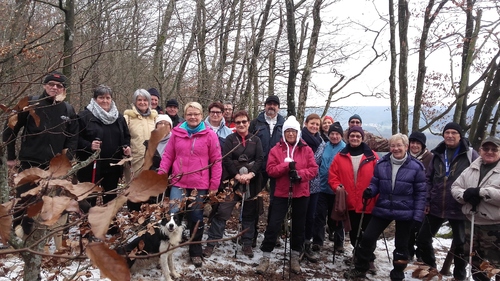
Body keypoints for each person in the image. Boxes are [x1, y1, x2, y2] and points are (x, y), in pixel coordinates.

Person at [344, 133, 426, 280]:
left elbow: (421, 193)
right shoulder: (382, 163)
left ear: (406, 147)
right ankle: (361, 267)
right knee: (367, 238)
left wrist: (418, 216)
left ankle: (398, 273)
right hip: (384, 206)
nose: (395, 148)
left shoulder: (416, 167)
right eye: (392, 145)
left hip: (406, 209)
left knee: (402, 245)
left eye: (399, 145)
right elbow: (375, 183)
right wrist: (370, 190)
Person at [158, 101, 222, 268]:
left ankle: (195, 251)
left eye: (196, 114)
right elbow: (168, 156)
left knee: (195, 217)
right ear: (185, 115)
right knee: (173, 215)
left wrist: (214, 184)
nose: (193, 117)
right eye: (189, 114)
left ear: (201, 116)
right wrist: (161, 175)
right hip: (178, 182)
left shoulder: (209, 135)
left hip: (198, 184)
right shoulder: (177, 133)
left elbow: (216, 161)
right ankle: (167, 250)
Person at [415, 122, 478, 281]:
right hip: (436, 205)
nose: (450, 135)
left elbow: (479, 176)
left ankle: (459, 276)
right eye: (447, 132)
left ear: (460, 135)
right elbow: (428, 179)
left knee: (460, 245)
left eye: (453, 133)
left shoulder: (470, 154)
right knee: (422, 239)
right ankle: (432, 270)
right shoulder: (438, 154)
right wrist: (427, 201)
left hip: (460, 207)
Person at [256, 116, 318, 274]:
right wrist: (286, 166)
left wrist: (299, 174)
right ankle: (265, 256)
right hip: (281, 192)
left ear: (298, 132)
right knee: (274, 225)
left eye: (293, 131)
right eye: (288, 131)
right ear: (284, 133)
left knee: (299, 226)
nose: (291, 134)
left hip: (301, 192)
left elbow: (313, 169)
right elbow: (270, 170)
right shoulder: (276, 149)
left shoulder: (306, 149)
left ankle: (295, 256)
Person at [203, 110, 263, 259]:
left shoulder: (256, 140)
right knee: (222, 210)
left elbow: (260, 159)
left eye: (244, 121)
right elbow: (227, 159)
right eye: (238, 122)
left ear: (249, 123)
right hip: (232, 181)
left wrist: (250, 174)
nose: (241, 124)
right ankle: (212, 242)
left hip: (251, 182)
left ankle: (247, 242)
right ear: (234, 124)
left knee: (249, 212)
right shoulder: (230, 139)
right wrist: (237, 175)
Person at [3, 71, 79, 171]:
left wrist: (67, 159)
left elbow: (73, 137)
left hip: (55, 167)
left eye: (59, 86)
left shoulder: (68, 110)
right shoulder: (29, 103)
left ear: (64, 90)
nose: (55, 87)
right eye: (51, 84)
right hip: (29, 163)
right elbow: (10, 128)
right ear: (44, 85)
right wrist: (11, 156)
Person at [328, 125, 379, 273]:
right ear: (347, 138)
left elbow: (380, 176)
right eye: (352, 136)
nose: (355, 138)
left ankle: (369, 259)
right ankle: (358, 254)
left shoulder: (372, 156)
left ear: (362, 138)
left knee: (369, 233)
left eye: (358, 136)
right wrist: (337, 187)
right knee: (354, 232)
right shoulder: (340, 156)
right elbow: (333, 176)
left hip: (369, 201)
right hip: (349, 201)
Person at [451, 136, 500, 281]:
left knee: (496, 266)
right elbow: (455, 187)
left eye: (494, 149)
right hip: (472, 223)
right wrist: (465, 195)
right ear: (480, 150)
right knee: (476, 265)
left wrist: (482, 192)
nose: (489, 152)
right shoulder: (472, 167)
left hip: (495, 227)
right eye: (486, 148)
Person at [76, 85, 131, 205]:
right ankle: (87, 221)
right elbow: (75, 139)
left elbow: (126, 136)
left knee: (110, 197)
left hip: (113, 165)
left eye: (108, 98)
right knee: (90, 197)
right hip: (91, 165)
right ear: (95, 99)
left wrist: (126, 147)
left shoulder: (118, 118)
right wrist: (89, 145)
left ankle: (109, 222)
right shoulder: (84, 116)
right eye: (101, 97)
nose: (105, 101)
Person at [311, 122, 346, 253]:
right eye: (332, 133)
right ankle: (317, 241)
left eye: (337, 134)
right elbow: (315, 161)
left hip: (338, 189)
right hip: (322, 187)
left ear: (341, 135)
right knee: (319, 215)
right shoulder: (324, 146)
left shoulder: (345, 149)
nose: (334, 136)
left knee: (337, 217)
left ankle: (338, 243)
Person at [300, 113, 324, 263]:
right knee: (300, 215)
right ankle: (297, 244)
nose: (314, 126)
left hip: (315, 184)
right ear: (306, 124)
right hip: (301, 183)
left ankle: (307, 244)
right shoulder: (299, 140)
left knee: (311, 216)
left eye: (317, 124)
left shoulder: (321, 142)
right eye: (312, 123)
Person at [407, 130, 433, 261]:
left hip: (423, 198)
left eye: (418, 143)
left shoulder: (430, 158)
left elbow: (432, 179)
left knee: (421, 227)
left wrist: (428, 200)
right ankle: (408, 251)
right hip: (406, 197)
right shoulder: (404, 156)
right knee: (408, 227)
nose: (414, 145)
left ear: (423, 145)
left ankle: (422, 254)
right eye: (412, 142)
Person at [123, 89, 158, 177]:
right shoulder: (128, 117)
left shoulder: (154, 117)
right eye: (139, 100)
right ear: (135, 101)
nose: (142, 102)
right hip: (134, 160)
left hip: (152, 159)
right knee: (133, 187)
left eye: (145, 100)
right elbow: (122, 137)